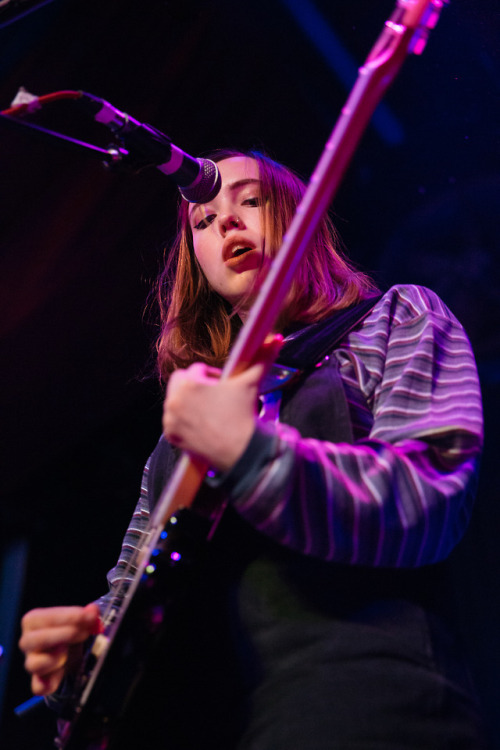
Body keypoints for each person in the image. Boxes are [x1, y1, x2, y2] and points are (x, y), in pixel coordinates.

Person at [19, 149, 487, 749]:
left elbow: (427, 499)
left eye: (251, 200)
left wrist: (250, 454)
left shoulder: (395, 317)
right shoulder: (176, 441)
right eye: (203, 222)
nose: (227, 224)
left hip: (373, 713)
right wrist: (81, 661)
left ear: (299, 217)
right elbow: (126, 605)